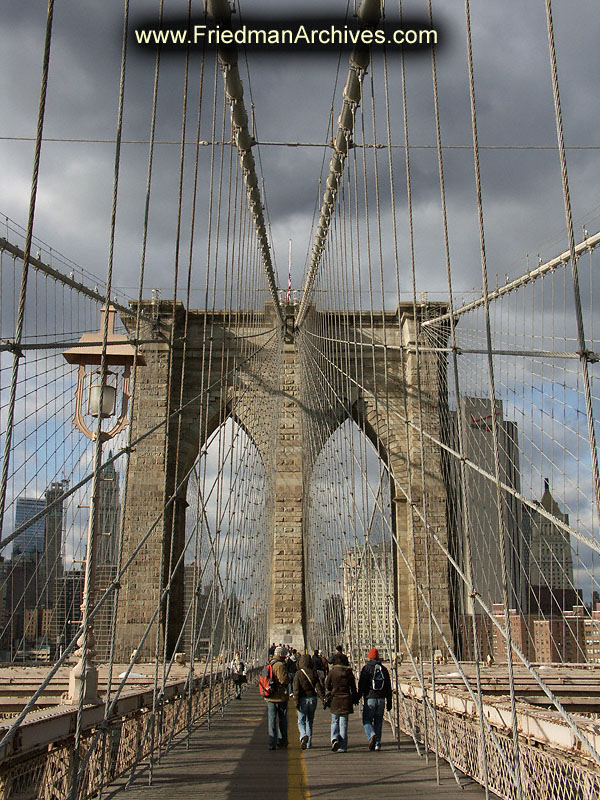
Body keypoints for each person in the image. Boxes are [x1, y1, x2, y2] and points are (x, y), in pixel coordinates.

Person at [358, 647, 393, 751]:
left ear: (369, 657)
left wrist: (358, 697)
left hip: (370, 698)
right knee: (378, 721)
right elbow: (388, 686)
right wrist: (389, 701)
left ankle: (371, 734)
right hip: (381, 699)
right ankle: (377, 744)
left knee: (366, 719)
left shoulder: (366, 668)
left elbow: (362, 685)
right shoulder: (383, 669)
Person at [324, 652, 358, 753]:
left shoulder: (332, 672)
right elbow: (353, 687)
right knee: (343, 724)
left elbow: (327, 685)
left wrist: (332, 689)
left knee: (334, 721)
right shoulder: (349, 673)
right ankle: (343, 746)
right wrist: (355, 698)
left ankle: (334, 739)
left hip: (335, 699)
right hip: (346, 699)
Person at [293, 653, 324, 749]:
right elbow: (318, 687)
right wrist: (322, 697)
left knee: (301, 721)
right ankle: (309, 743)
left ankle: (303, 736)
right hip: (313, 699)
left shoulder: (298, 673)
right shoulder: (314, 672)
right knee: (309, 721)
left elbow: (296, 689)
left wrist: (296, 701)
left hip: (302, 699)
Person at [265, 645, 290, 750]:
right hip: (280, 697)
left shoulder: (270, 663)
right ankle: (282, 741)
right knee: (282, 719)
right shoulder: (280, 665)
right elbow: (283, 680)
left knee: (271, 720)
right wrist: (289, 679)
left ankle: (272, 742)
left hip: (270, 697)